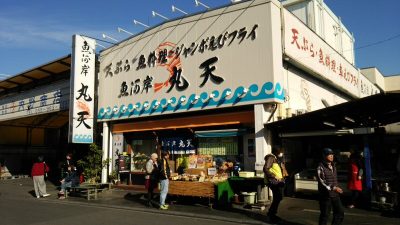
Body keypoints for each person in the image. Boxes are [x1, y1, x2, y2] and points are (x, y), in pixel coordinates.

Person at [317, 148, 344, 225]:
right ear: (324, 156)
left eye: (332, 154)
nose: (332, 156)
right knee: (325, 215)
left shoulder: (334, 165)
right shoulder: (320, 167)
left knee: (340, 213)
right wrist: (334, 188)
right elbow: (322, 182)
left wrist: (336, 188)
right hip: (325, 196)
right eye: (329, 154)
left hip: (335, 195)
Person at [264, 153, 284, 223]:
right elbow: (265, 169)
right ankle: (271, 215)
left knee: (278, 198)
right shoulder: (271, 157)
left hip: (277, 183)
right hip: (274, 183)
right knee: (277, 198)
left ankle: (272, 214)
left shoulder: (274, 159)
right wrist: (274, 176)